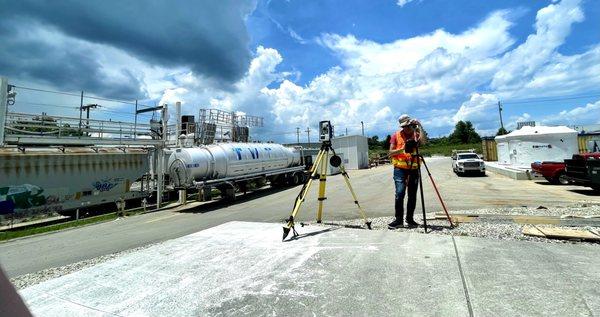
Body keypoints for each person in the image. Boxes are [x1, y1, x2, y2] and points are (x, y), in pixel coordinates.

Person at [388, 114, 422, 229]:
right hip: (400, 169)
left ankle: (410, 219)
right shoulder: (395, 136)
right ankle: (398, 220)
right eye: (404, 126)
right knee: (400, 194)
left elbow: (424, 141)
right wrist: (404, 148)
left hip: (414, 168)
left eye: (408, 125)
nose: (406, 128)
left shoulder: (416, 134)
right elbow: (390, 153)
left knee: (412, 195)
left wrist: (420, 125)